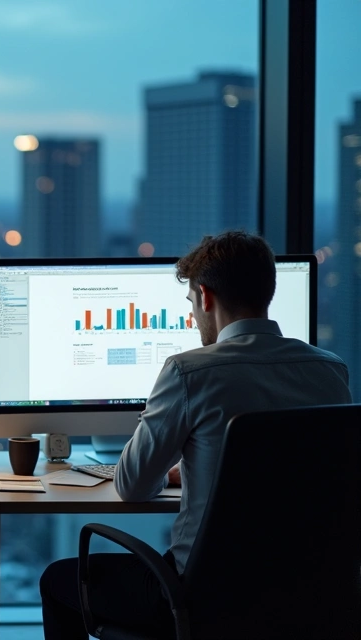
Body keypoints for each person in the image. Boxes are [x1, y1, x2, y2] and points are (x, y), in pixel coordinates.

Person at [38, 231, 352, 638]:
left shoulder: (189, 372)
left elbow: (132, 486)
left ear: (205, 297)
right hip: (308, 595)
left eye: (190, 304)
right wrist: (201, 469)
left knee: (58, 580)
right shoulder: (330, 370)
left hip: (200, 597)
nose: (192, 318)